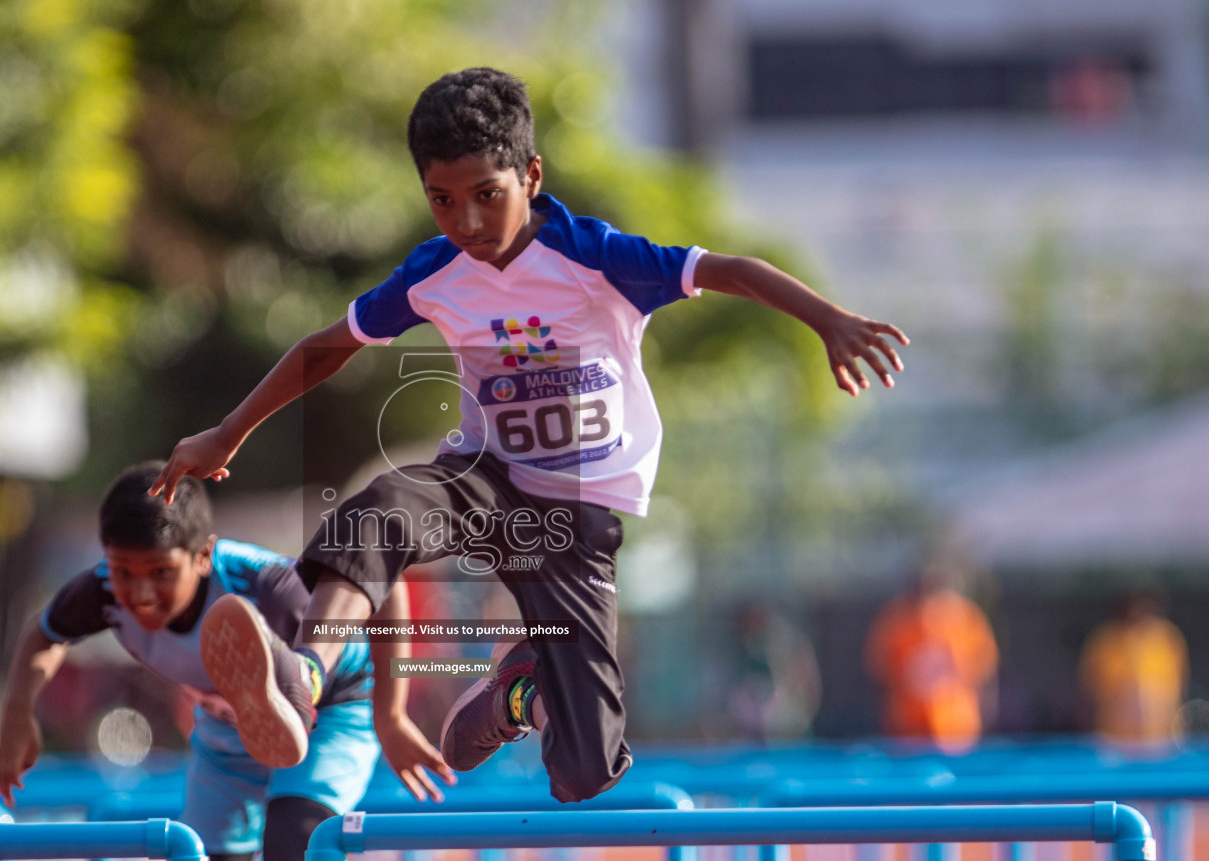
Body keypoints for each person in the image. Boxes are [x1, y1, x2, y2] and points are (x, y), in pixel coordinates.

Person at [149, 67, 910, 803]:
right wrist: (229, 430)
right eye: (442, 201)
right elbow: (329, 346)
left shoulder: (595, 257)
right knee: (383, 506)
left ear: (532, 176)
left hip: (577, 519)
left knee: (584, 770)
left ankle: (515, 696)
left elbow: (729, 270)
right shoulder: (435, 271)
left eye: (487, 196)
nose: (467, 223)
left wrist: (830, 322)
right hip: (484, 479)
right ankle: (300, 677)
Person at [0, 464, 487, 861]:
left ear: (203, 556)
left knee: (295, 847)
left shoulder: (265, 583)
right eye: (123, 571)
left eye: (160, 572)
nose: (140, 592)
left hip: (332, 712)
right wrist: (16, 716)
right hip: (229, 733)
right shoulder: (103, 592)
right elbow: (45, 631)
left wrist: (391, 715)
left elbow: (384, 584)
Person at [864, 565, 998, 752]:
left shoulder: (966, 618)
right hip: (907, 730)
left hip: (957, 729)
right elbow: (880, 671)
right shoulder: (895, 621)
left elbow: (984, 670)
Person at [1079, 589, 1187, 748]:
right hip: (1114, 735)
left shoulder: (1167, 638)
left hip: (1159, 735)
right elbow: (1090, 690)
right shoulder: (1105, 641)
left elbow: (1177, 686)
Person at [727, 602, 821, 744]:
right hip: (764, 728)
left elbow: (810, 688)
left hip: (791, 723)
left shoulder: (798, 651)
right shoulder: (752, 654)